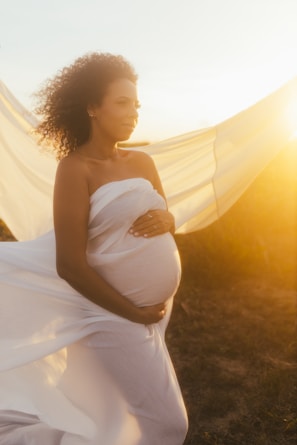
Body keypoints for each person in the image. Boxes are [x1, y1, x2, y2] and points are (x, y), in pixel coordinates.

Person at [0, 52, 188, 444]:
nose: (133, 112)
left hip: (149, 314)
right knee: (170, 425)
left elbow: (162, 216)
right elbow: (69, 264)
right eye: (122, 102)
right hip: (108, 314)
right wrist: (132, 313)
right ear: (91, 107)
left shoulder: (143, 162)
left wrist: (170, 222)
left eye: (136, 104)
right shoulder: (75, 170)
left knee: (117, 413)